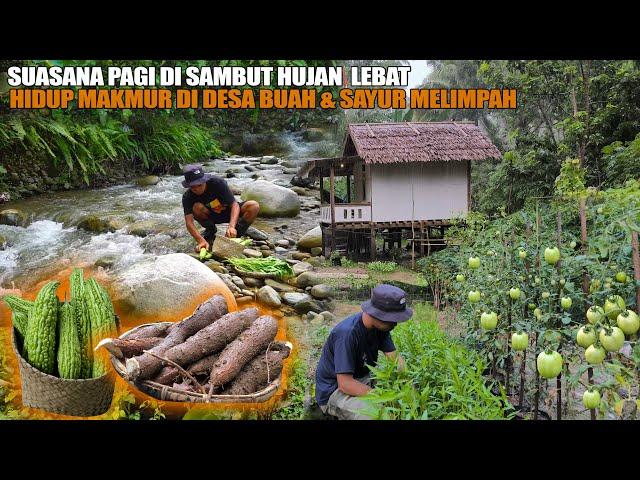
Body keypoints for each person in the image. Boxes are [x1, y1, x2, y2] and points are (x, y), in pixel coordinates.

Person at [315, 284, 411, 420]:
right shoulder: (347, 334)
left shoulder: (381, 329)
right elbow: (345, 384)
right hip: (334, 390)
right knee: (379, 415)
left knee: (398, 404)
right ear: (376, 314)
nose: (395, 324)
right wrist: (382, 397)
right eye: (392, 319)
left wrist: (409, 384)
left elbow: (395, 358)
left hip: (362, 379)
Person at [181, 164, 260, 252]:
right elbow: (189, 223)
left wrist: (231, 226)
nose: (197, 189)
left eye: (199, 185)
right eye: (193, 186)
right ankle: (210, 230)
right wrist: (200, 240)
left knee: (254, 206)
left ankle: (235, 234)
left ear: (205, 180)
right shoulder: (187, 196)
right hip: (211, 216)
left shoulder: (218, 183)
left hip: (229, 212)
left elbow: (234, 204)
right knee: (196, 208)